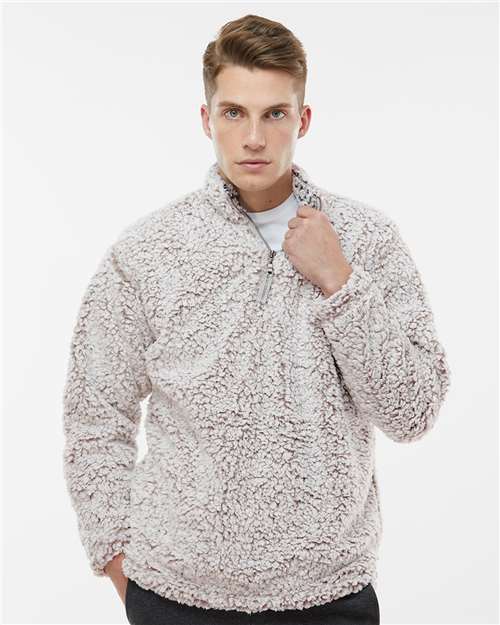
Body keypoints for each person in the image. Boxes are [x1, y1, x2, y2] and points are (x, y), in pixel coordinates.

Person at [62, 13, 451, 625]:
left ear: (303, 119)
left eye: (274, 114)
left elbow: (413, 412)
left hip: (330, 597)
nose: (252, 138)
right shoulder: (147, 252)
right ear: (206, 119)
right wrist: (117, 560)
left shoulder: (366, 240)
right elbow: (94, 415)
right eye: (233, 112)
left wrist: (340, 283)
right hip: (173, 597)